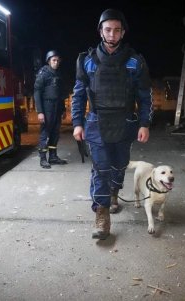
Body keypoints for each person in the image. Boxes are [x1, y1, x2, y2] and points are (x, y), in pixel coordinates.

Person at [71, 9, 153, 240]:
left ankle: (114, 193)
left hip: (126, 122)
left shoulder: (135, 61)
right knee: (101, 168)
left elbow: (145, 96)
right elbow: (78, 95)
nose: (112, 34)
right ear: (100, 31)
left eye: (117, 30)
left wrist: (144, 123)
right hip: (96, 123)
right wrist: (77, 122)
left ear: (123, 32)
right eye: (108, 29)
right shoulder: (87, 61)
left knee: (119, 165)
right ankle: (102, 214)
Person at [34, 50, 68, 168]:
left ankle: (53, 156)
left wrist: (63, 109)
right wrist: (40, 112)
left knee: (55, 132)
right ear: (48, 61)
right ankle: (43, 158)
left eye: (58, 60)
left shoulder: (58, 74)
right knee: (45, 133)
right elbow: (37, 93)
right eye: (54, 60)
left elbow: (61, 94)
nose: (56, 62)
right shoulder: (43, 73)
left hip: (57, 107)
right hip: (47, 107)